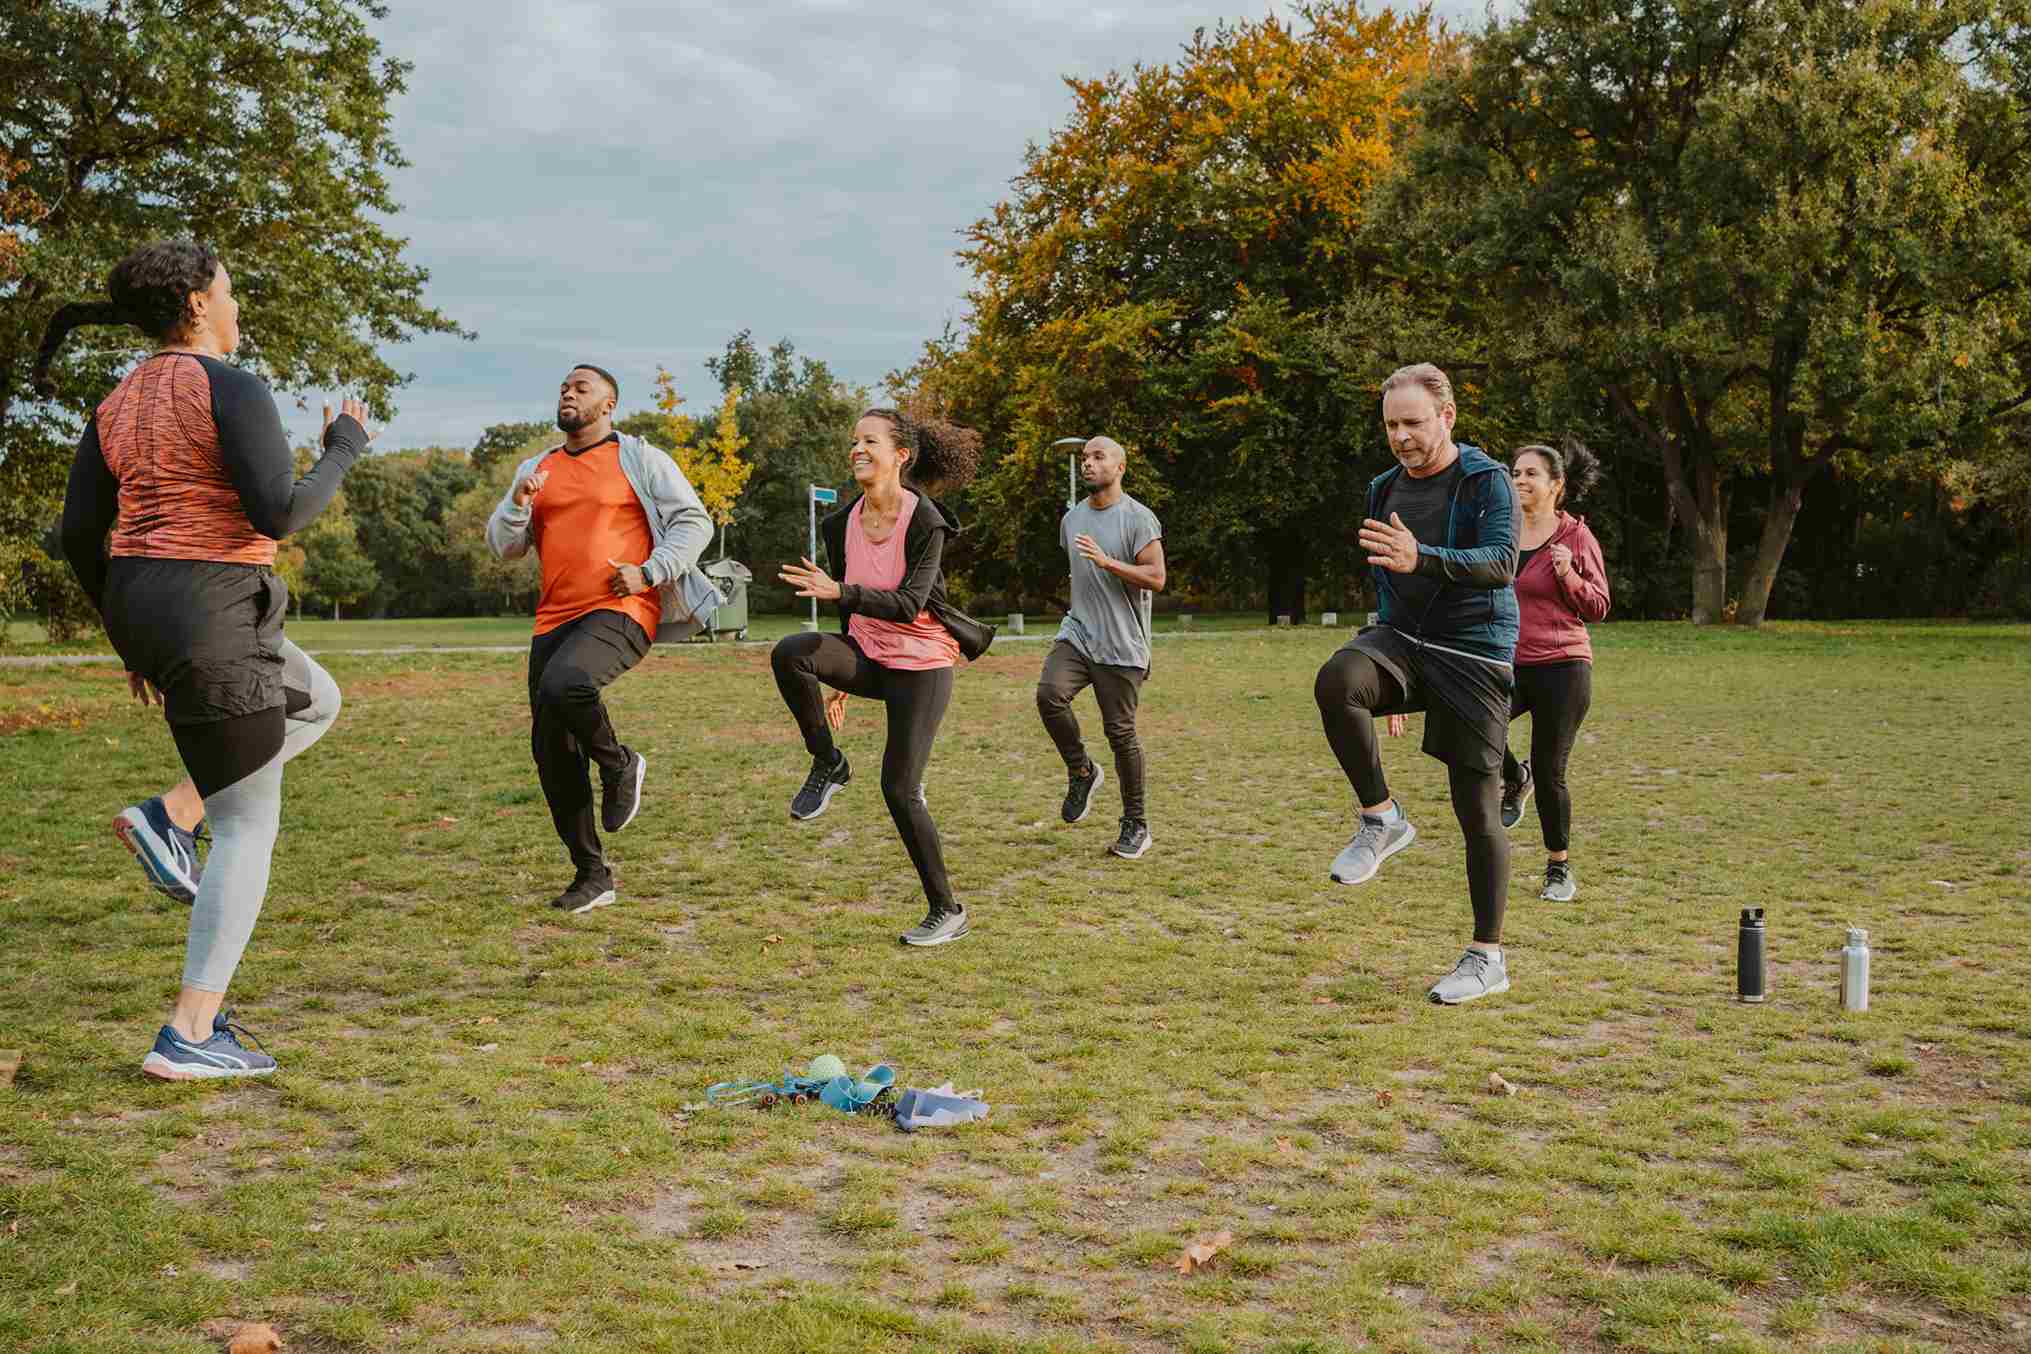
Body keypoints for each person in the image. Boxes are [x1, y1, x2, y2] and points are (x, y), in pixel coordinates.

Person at [58, 239, 368, 1078]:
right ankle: (191, 1033)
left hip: (150, 607)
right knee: (249, 827)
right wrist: (343, 445)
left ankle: (172, 813)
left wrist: (131, 635)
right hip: (213, 611)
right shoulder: (231, 387)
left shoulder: (116, 401)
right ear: (196, 302)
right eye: (228, 292)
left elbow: (76, 537)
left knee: (318, 698)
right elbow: (278, 513)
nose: (236, 308)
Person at [1313, 363, 1521, 1005]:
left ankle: (1487, 957)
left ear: (1447, 417)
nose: (1401, 436)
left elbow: (1500, 563)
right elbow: (1387, 577)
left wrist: (1423, 557)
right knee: (1338, 680)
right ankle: (1382, 820)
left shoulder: (1487, 481)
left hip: (1474, 650)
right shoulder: (1384, 487)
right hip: (1403, 640)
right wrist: (1387, 673)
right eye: (1391, 425)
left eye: (1413, 422)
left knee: (1476, 809)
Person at [486, 364, 717, 914]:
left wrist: (651, 570)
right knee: (552, 750)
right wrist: (518, 502)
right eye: (563, 386)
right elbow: (504, 547)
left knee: (568, 683)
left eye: (581, 387)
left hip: (622, 607)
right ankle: (592, 875)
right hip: (553, 620)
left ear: (608, 404)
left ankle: (618, 764)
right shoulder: (536, 467)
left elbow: (694, 520)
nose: (568, 393)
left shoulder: (639, 457)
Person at [771, 408, 993, 947]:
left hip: (922, 665)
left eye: (870, 441)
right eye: (854, 442)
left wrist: (839, 592)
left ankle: (947, 909)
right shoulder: (840, 523)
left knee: (899, 788)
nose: (857, 450)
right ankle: (829, 764)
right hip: (870, 654)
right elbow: (851, 613)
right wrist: (842, 677)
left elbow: (911, 602)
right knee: (791, 652)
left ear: (901, 455)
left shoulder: (925, 521)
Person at [1035, 435, 1165, 858]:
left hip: (1123, 644)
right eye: (1084, 457)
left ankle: (1136, 824)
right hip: (1078, 634)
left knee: (1120, 734)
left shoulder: (1139, 518)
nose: (1088, 464)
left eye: (1098, 456)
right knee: (1049, 696)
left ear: (1120, 467)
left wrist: (1108, 562)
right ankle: (1082, 771)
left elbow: (1157, 578)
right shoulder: (1071, 519)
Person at [1501, 444, 1609, 902]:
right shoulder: (1501, 532)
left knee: (1550, 770)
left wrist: (1568, 575)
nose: (1520, 479)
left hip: (1563, 667)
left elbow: (1599, 606)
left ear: (1556, 485)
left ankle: (1558, 868)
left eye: (1531, 473)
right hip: (1508, 662)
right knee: (1465, 722)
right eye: (1515, 472)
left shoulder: (1576, 538)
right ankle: (1513, 776)